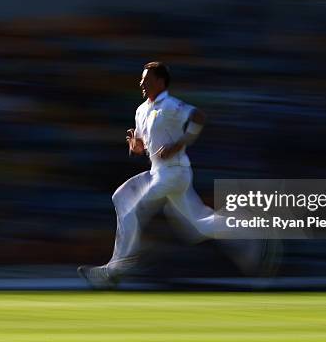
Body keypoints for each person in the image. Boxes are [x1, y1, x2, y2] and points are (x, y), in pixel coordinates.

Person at [77, 62, 263, 288]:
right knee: (199, 226)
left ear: (160, 82)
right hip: (161, 173)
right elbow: (143, 145)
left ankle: (115, 270)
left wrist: (179, 144)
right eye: (141, 79)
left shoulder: (171, 105)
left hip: (174, 173)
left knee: (130, 204)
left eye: (146, 79)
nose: (141, 83)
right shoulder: (141, 110)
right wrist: (136, 146)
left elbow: (198, 117)